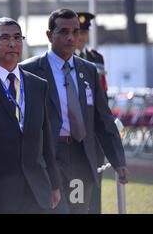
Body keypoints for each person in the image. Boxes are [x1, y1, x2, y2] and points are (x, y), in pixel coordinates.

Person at [20, 9, 128, 214]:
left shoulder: (89, 70)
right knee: (56, 210)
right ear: (49, 35)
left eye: (75, 31)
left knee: (78, 210)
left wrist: (118, 160)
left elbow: (103, 119)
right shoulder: (29, 70)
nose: (70, 37)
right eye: (63, 32)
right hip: (48, 158)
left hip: (81, 158)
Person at [0, 18, 61, 213]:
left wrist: (54, 182)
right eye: (5, 38)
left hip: (36, 189)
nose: (12, 43)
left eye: (18, 38)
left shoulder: (37, 85)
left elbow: (46, 138)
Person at [75, 12, 107, 214]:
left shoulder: (96, 58)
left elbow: (103, 94)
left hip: (94, 133)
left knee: (95, 185)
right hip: (73, 134)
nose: (81, 37)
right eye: (78, 32)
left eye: (84, 32)